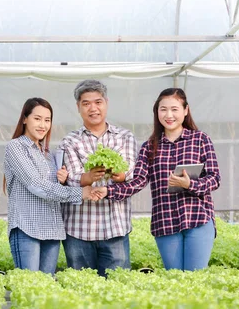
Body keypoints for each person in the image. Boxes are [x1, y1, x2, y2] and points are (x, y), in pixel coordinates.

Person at [93, 88, 220, 271]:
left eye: (175, 109)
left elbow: (214, 178)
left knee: (196, 280)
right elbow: (137, 182)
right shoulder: (150, 147)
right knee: (174, 279)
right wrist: (108, 191)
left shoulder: (200, 140)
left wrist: (189, 184)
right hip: (165, 221)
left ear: (185, 110)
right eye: (163, 109)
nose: (169, 115)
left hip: (198, 218)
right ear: (157, 112)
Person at [4, 97, 92, 276]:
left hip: (51, 230)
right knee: (29, 291)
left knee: (44, 293)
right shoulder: (15, 147)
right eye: (37, 118)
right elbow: (36, 184)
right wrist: (79, 193)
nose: (43, 125)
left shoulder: (48, 154)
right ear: (24, 119)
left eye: (47, 120)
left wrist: (61, 180)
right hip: (27, 228)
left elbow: (51, 188)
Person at [60, 80, 137, 277]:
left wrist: (119, 174)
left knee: (117, 289)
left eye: (98, 102)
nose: (93, 108)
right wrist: (89, 176)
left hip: (115, 228)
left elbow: (129, 171)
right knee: (81, 290)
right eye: (86, 103)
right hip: (78, 229)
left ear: (106, 103)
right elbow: (72, 178)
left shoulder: (124, 137)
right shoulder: (70, 140)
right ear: (78, 107)